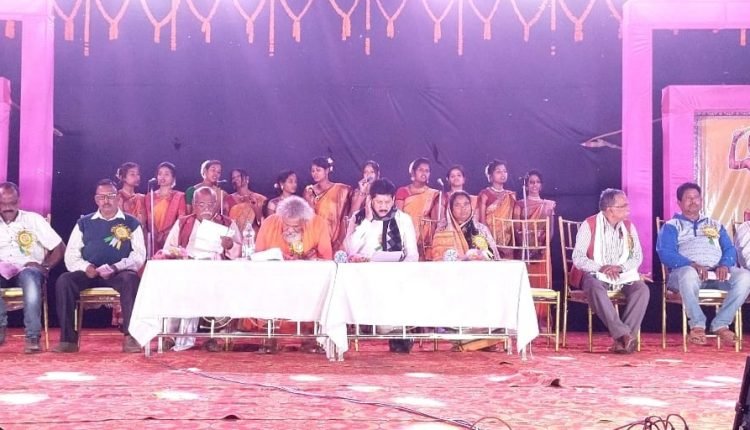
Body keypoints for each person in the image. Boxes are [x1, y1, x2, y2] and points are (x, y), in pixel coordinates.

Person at [54, 179, 146, 353]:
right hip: (90, 273)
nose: (106, 201)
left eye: (110, 196)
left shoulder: (131, 223)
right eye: (102, 197)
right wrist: (85, 267)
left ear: (118, 198)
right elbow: (71, 254)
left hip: (118, 273)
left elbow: (139, 255)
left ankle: (131, 337)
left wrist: (116, 267)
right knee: (64, 280)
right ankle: (68, 340)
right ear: (96, 200)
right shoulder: (84, 222)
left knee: (131, 279)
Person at [657, 182, 750, 346]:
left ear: (701, 200)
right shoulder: (671, 226)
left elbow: (729, 249)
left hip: (716, 273)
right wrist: (691, 264)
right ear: (679, 202)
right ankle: (697, 326)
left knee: (745, 277)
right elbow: (666, 253)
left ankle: (721, 323)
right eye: (688, 198)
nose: (693, 201)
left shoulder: (715, 224)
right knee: (688, 273)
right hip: (683, 275)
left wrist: (724, 265)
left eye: (696, 197)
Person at [161, 186, 242, 352]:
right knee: (176, 286)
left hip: (217, 271)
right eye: (201, 205)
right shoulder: (183, 222)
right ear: (194, 205)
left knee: (222, 286)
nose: (206, 209)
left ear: (216, 204)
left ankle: (215, 336)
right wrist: (180, 254)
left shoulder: (227, 223)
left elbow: (239, 253)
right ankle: (171, 335)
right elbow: (168, 248)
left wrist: (230, 245)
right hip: (188, 270)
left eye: (210, 205)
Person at [344, 178, 418, 352]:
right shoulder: (359, 217)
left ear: (393, 200)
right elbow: (350, 248)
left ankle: (398, 333)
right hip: (364, 275)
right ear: (370, 200)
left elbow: (412, 254)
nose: (383, 206)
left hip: (395, 274)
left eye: (387, 202)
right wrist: (367, 221)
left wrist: (401, 271)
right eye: (379, 202)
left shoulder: (403, 219)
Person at [571, 188, 649, 354]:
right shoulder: (589, 224)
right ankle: (624, 335)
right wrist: (601, 267)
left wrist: (620, 268)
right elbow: (578, 257)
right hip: (596, 274)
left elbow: (637, 256)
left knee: (642, 290)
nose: (628, 208)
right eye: (623, 205)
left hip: (622, 275)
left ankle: (622, 341)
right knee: (593, 286)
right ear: (610, 210)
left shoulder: (628, 227)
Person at [0, 182, 65, 353]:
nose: (7, 208)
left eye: (12, 203)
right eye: (3, 203)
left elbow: (59, 247)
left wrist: (45, 266)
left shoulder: (33, 219)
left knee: (30, 279)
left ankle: (32, 337)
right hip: (1, 268)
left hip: (27, 268)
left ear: (19, 201)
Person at [513, 170, 556, 323]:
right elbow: (516, 229)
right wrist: (527, 247)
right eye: (531, 182)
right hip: (524, 250)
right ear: (526, 185)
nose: (534, 185)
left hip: (542, 250)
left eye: (537, 182)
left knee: (542, 285)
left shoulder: (548, 205)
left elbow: (550, 230)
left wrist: (541, 248)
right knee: (525, 284)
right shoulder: (519, 204)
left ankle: (541, 320)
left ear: (541, 185)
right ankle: (526, 321)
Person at [256, 196, 333, 260]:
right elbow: (257, 257)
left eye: (296, 226)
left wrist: (310, 260)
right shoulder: (269, 223)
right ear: (281, 218)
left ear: (305, 221)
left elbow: (327, 259)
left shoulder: (318, 223)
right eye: (286, 225)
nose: (290, 230)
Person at [430, 191, 499, 262]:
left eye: (466, 204)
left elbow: (492, 256)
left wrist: (481, 256)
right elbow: (439, 258)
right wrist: (463, 259)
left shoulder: (481, 229)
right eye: (457, 205)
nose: (463, 208)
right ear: (451, 209)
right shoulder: (443, 230)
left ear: (471, 206)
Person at [395, 158, 440, 260]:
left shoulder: (433, 193)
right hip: (407, 233)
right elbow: (398, 216)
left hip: (426, 238)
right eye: (420, 170)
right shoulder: (403, 191)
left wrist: (429, 238)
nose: (424, 173)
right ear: (413, 172)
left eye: (427, 171)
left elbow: (434, 220)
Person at [303, 157, 351, 251]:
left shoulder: (342, 190)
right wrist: (309, 200)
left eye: (318, 170)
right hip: (315, 235)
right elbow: (308, 217)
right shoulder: (309, 191)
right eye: (313, 171)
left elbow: (345, 216)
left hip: (336, 235)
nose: (315, 173)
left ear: (327, 170)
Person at [144, 162, 187, 254]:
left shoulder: (179, 196)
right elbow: (148, 219)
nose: (162, 177)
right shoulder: (149, 196)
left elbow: (181, 219)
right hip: (153, 238)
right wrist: (155, 234)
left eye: (166, 174)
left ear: (173, 178)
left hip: (171, 236)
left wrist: (166, 233)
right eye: (160, 174)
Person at [478, 159, 516, 258]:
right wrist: (489, 239)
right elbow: (482, 221)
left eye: (505, 171)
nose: (503, 174)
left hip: (508, 239)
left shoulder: (511, 195)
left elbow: (513, 219)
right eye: (498, 171)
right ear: (490, 176)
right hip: (489, 238)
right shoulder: (485, 194)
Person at [228, 168, 267, 233]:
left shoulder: (259, 198)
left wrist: (254, 207)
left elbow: (262, 222)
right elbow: (226, 221)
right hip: (234, 235)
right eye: (233, 178)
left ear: (247, 178)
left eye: (239, 176)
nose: (236, 179)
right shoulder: (228, 198)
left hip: (254, 234)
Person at [116, 162, 148, 229]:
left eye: (138, 174)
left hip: (141, 232)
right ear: (123, 177)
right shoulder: (118, 197)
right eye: (132, 174)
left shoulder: (142, 198)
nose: (137, 177)